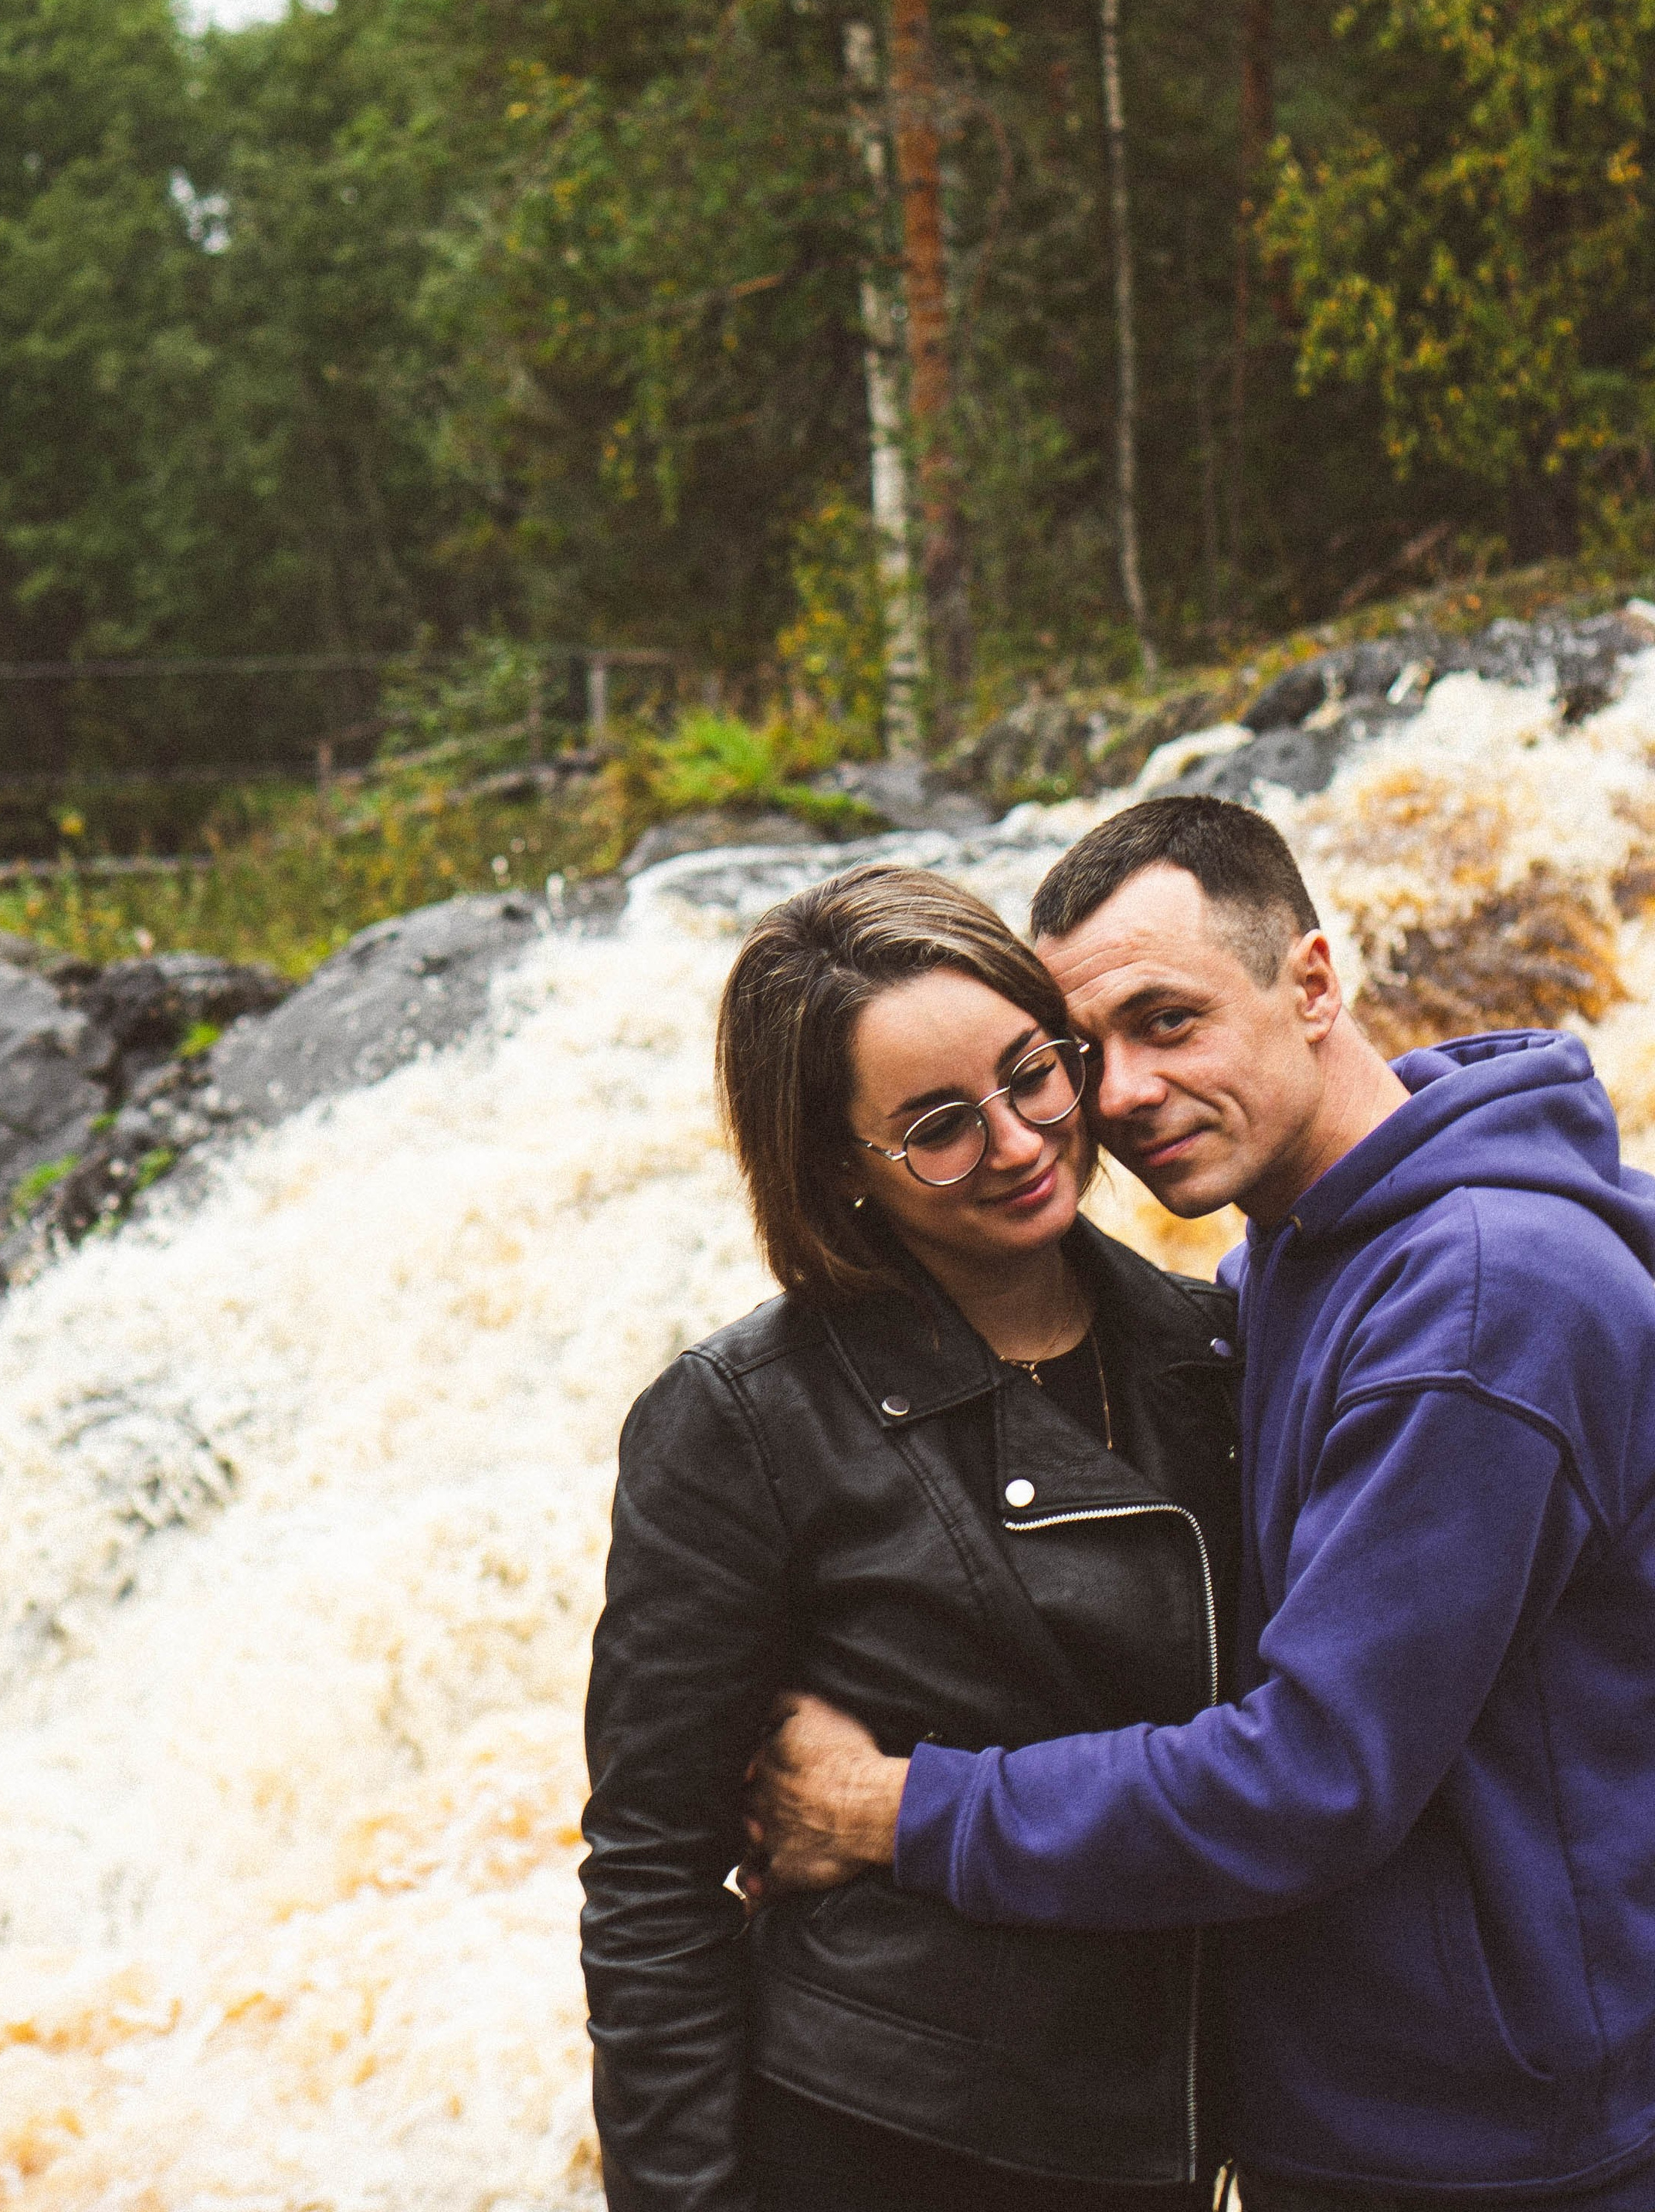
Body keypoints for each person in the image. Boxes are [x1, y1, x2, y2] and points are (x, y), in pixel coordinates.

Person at [745, 796, 1655, 2212]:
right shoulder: (1291, 1262)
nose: (1117, 1097)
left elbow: (1313, 1776)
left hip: (1496, 2149)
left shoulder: (1480, 1303)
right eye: (1083, 1051)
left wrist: (894, 1810)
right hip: (1362, 2106)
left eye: (1169, 1021)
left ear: (1311, 981)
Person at [580, 863, 1242, 2212]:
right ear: (837, 1163)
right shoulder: (741, 1421)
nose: (1015, 1141)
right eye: (937, 1124)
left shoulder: (1213, 1350)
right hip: (886, 2138)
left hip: (1182, 2135)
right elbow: (651, 1881)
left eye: (1033, 1074)